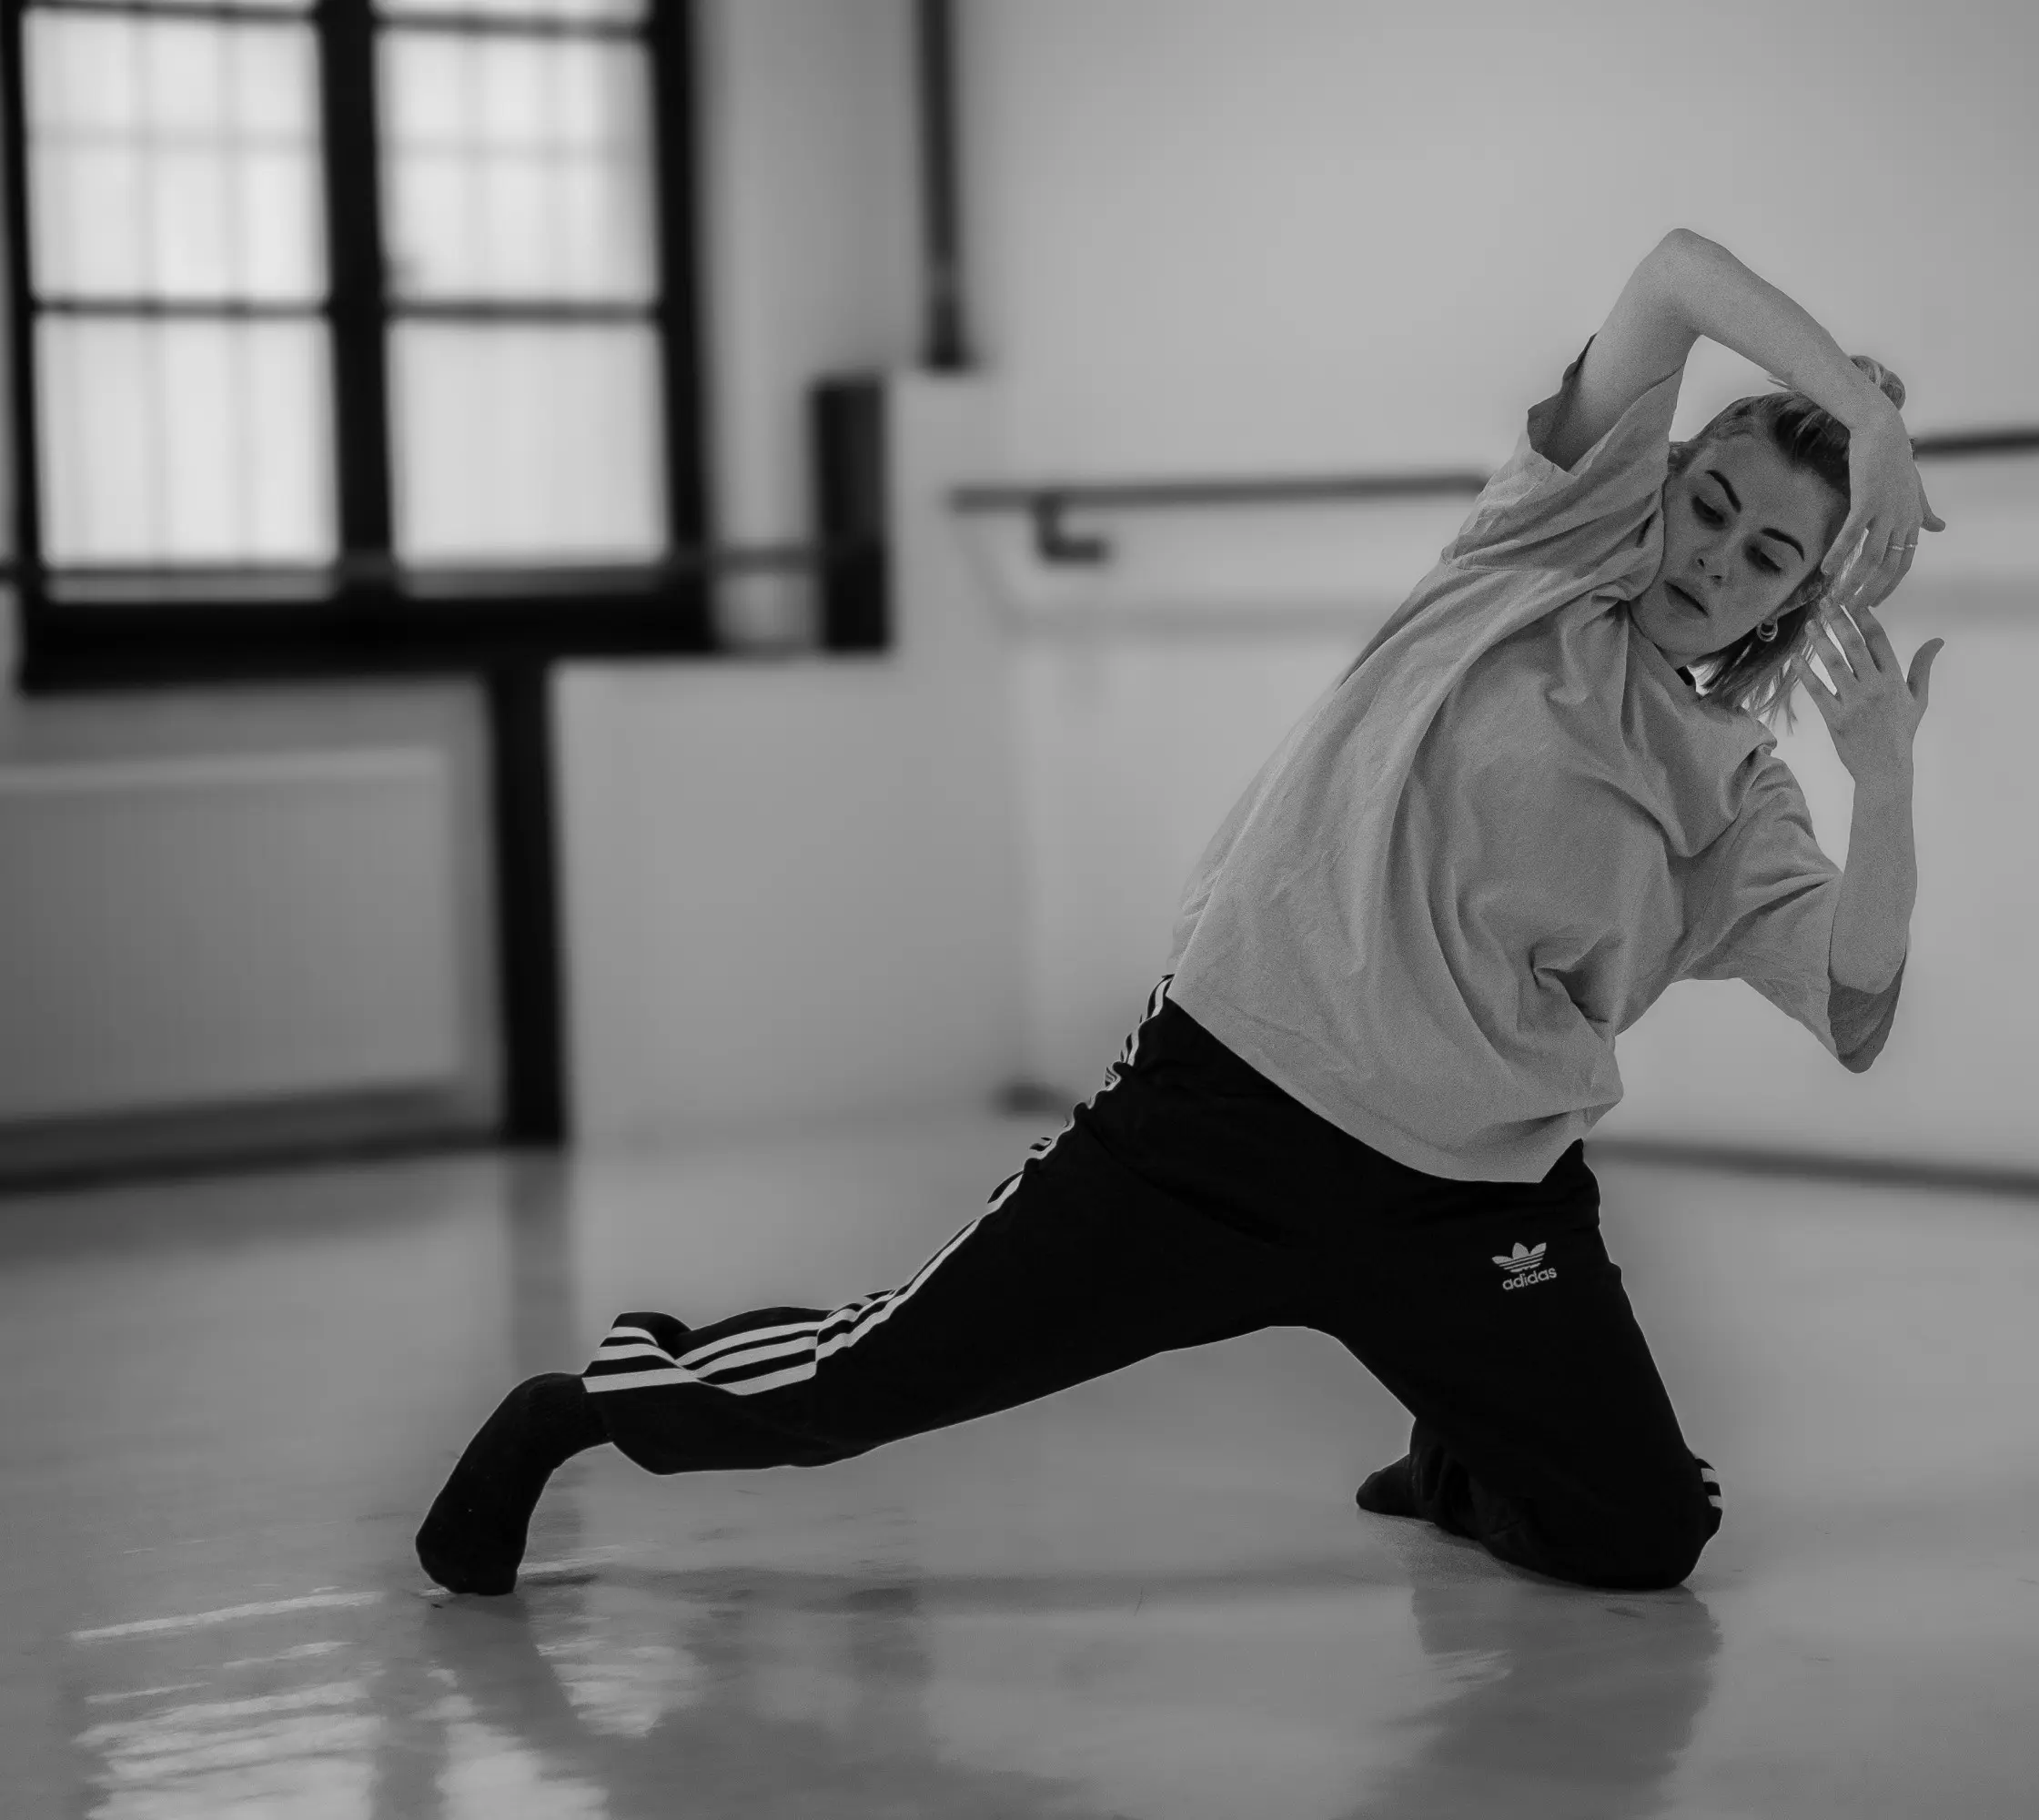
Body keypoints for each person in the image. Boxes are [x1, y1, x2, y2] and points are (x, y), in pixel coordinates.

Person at [417, 227, 1945, 1598]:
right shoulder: (1536, 555)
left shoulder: (1738, 789)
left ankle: (1462, 1457)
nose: (1718, 560)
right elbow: (1677, 271)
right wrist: (1864, 416)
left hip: (1473, 1204)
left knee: (1645, 1537)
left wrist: (1883, 786)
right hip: (1223, 1119)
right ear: (1660, 486)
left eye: (1769, 557)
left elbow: (1856, 1005)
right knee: (877, 1376)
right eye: (1712, 505)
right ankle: (583, 1407)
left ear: (1796, 603)